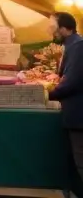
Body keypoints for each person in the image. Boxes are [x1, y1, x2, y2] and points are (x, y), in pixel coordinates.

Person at [46, 12, 83, 187]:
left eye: (53, 28)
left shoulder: (78, 46)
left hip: (79, 116)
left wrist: (46, 95)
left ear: (65, 28)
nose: (51, 33)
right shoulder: (73, 45)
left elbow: (72, 83)